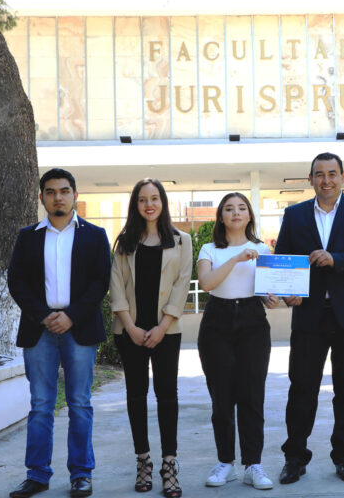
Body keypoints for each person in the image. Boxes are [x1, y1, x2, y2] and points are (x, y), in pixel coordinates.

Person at [274, 152, 344, 485]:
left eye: (332, 174)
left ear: (343, 176)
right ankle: (295, 457)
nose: (326, 180)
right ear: (310, 179)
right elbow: (283, 259)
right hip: (309, 314)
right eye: (319, 174)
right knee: (302, 389)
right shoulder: (294, 215)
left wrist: (335, 258)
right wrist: (287, 291)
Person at [8, 168, 111, 498]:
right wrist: (44, 316)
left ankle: (81, 474)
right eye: (51, 192)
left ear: (75, 195)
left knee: (80, 403)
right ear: (42, 198)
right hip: (39, 331)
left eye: (64, 191)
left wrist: (70, 317)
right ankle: (37, 474)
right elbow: (17, 282)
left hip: (79, 329)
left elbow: (100, 282)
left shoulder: (95, 235)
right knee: (41, 404)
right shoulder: (28, 236)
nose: (58, 197)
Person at [109, 178, 192, 497]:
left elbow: (182, 284)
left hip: (166, 332)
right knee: (136, 395)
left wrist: (162, 326)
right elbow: (116, 286)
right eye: (143, 199)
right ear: (136, 205)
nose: (149, 204)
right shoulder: (124, 242)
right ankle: (142, 460)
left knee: (167, 396)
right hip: (129, 331)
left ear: (163, 202)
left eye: (155, 198)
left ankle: (169, 464)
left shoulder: (181, 240)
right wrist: (130, 327)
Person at [196, 192, 281, 490]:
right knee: (221, 397)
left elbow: (267, 288)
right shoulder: (209, 249)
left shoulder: (261, 247)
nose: (235, 213)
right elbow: (207, 284)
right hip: (217, 321)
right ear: (221, 217)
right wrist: (236, 258)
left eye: (241, 208)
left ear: (249, 216)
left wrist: (271, 297)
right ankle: (225, 463)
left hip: (252, 321)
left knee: (252, 395)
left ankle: (253, 464)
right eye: (229, 209)